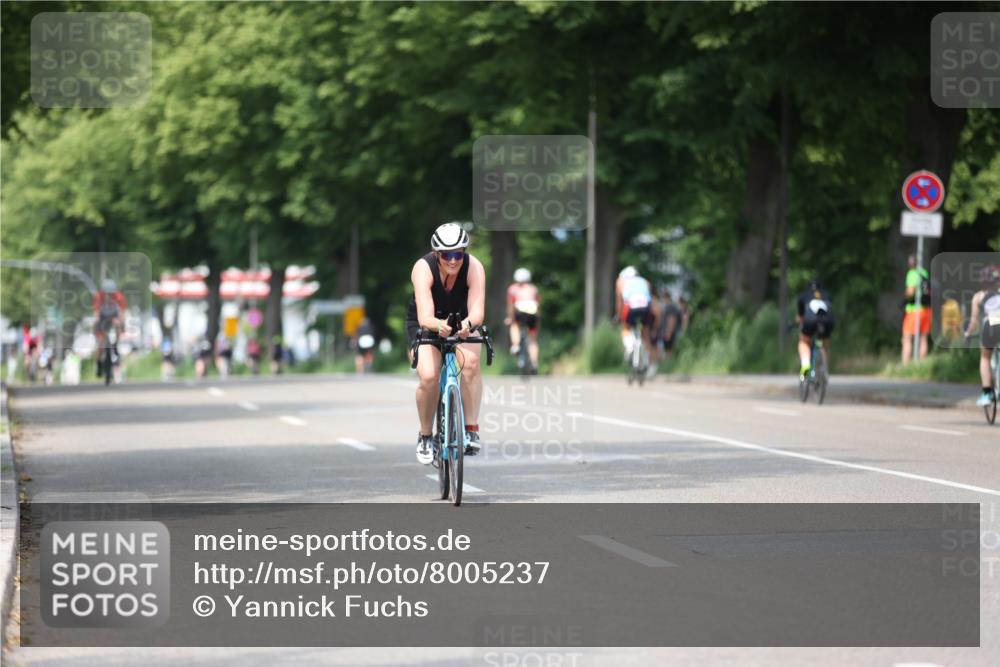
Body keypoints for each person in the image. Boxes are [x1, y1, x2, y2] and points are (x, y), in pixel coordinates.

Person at [406, 222, 486, 464]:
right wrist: (438, 326)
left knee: (470, 363)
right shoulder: (423, 269)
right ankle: (426, 436)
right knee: (429, 376)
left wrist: (468, 324)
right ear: (436, 254)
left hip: (463, 321)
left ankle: (471, 429)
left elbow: (478, 312)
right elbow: (425, 316)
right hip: (427, 323)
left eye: (458, 254)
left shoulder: (474, 267)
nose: (453, 260)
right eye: (447, 255)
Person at [965, 264, 1000, 407]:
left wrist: (967, 333)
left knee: (985, 358)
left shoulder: (979, 296)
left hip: (990, 325)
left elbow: (973, 322)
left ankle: (987, 394)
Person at [796, 277, 835, 379]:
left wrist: (797, 321)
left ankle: (805, 364)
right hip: (827, 321)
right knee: (824, 342)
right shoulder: (826, 295)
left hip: (810, 321)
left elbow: (801, 317)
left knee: (804, 341)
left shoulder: (804, 296)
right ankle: (824, 368)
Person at [615, 266, 654, 364]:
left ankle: (630, 347)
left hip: (631, 306)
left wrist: (619, 317)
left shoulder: (621, 281)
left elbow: (619, 303)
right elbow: (650, 299)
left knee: (626, 327)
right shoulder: (645, 281)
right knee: (645, 332)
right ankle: (647, 361)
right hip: (646, 306)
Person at [505, 267, 540, 373]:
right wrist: (537, 321)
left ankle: (516, 345)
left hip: (520, 313)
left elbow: (511, 306)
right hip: (533, 314)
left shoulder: (512, 289)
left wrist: (510, 319)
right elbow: (538, 306)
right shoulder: (534, 289)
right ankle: (534, 362)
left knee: (514, 325)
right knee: (532, 340)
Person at [92, 279, 127, 378]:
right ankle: (99, 364)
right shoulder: (98, 297)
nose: (109, 296)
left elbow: (122, 313)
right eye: (107, 293)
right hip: (102, 317)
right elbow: (96, 314)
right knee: (100, 343)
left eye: (111, 293)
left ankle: (115, 345)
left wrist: (122, 325)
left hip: (114, 317)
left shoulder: (119, 297)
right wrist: (96, 325)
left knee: (118, 325)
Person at [901, 254, 931, 364]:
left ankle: (906, 366)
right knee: (923, 338)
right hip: (926, 310)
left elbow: (910, 292)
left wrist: (904, 299)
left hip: (914, 310)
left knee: (907, 338)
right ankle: (921, 365)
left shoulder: (912, 274)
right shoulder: (924, 273)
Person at [656, 290, 682, 362]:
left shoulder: (670, 306)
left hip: (669, 331)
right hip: (668, 331)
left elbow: (671, 320)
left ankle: (670, 363)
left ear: (666, 297)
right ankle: (669, 363)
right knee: (666, 349)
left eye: (663, 298)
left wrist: (668, 332)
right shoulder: (670, 306)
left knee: (669, 350)